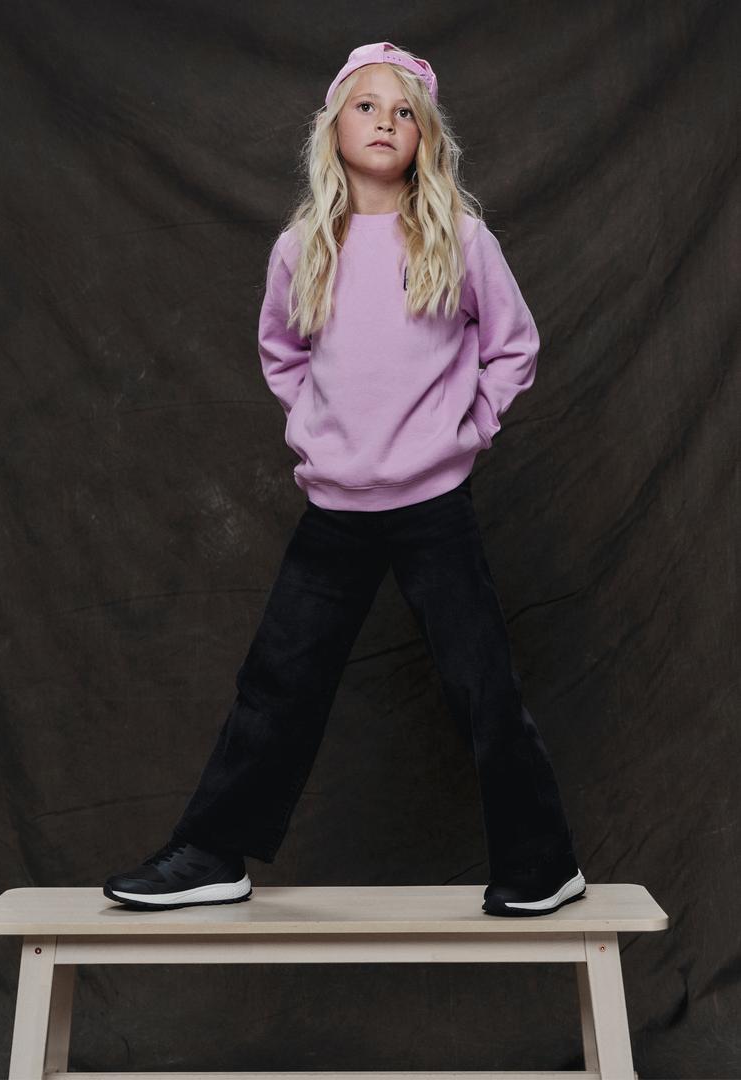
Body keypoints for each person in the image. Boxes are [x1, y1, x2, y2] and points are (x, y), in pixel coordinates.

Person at [103, 41, 586, 918]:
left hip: (432, 505)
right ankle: (213, 853)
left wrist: (468, 428)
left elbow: (513, 347)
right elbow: (282, 353)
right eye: (367, 106)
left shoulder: (459, 239)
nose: (385, 122)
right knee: (276, 682)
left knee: (481, 684)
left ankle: (543, 865)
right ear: (333, 129)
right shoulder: (302, 248)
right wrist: (314, 429)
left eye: (404, 112)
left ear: (424, 137)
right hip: (336, 508)